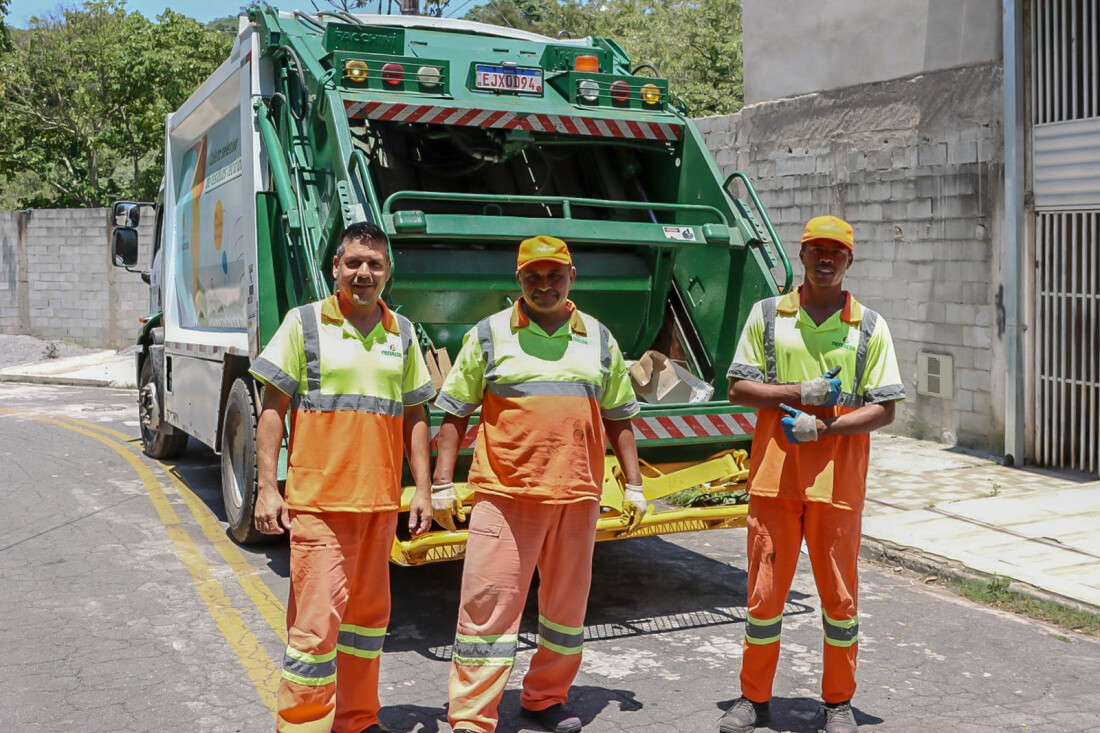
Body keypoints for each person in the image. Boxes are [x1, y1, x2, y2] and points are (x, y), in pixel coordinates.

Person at [431, 235, 648, 733]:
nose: (544, 285)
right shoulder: (488, 335)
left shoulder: (598, 337)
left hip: (577, 494)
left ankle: (546, 697)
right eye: (533, 276)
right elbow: (454, 412)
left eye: (554, 275)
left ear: (572, 277)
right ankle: (471, 716)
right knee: (487, 610)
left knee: (565, 612)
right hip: (505, 496)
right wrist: (443, 483)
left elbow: (619, 417)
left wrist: (634, 485)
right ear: (518, 280)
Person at [718, 215, 906, 733]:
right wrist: (798, 393)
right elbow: (738, 388)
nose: (826, 259)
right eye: (816, 250)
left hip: (837, 484)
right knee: (764, 597)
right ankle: (753, 699)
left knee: (840, 601)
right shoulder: (766, 315)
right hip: (775, 480)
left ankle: (838, 703)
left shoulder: (868, 326)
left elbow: (886, 407)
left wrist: (824, 430)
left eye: (836, 252)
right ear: (801, 254)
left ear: (849, 260)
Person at [248, 221, 436, 733]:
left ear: (387, 272)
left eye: (374, 264)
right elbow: (272, 411)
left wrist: (421, 489)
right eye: (353, 262)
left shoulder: (404, 333)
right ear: (336, 267)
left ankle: (356, 719)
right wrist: (268, 488)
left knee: (366, 627)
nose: (363, 273)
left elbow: (416, 415)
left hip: (378, 507)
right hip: (320, 508)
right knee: (313, 632)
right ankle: (304, 725)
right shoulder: (304, 323)